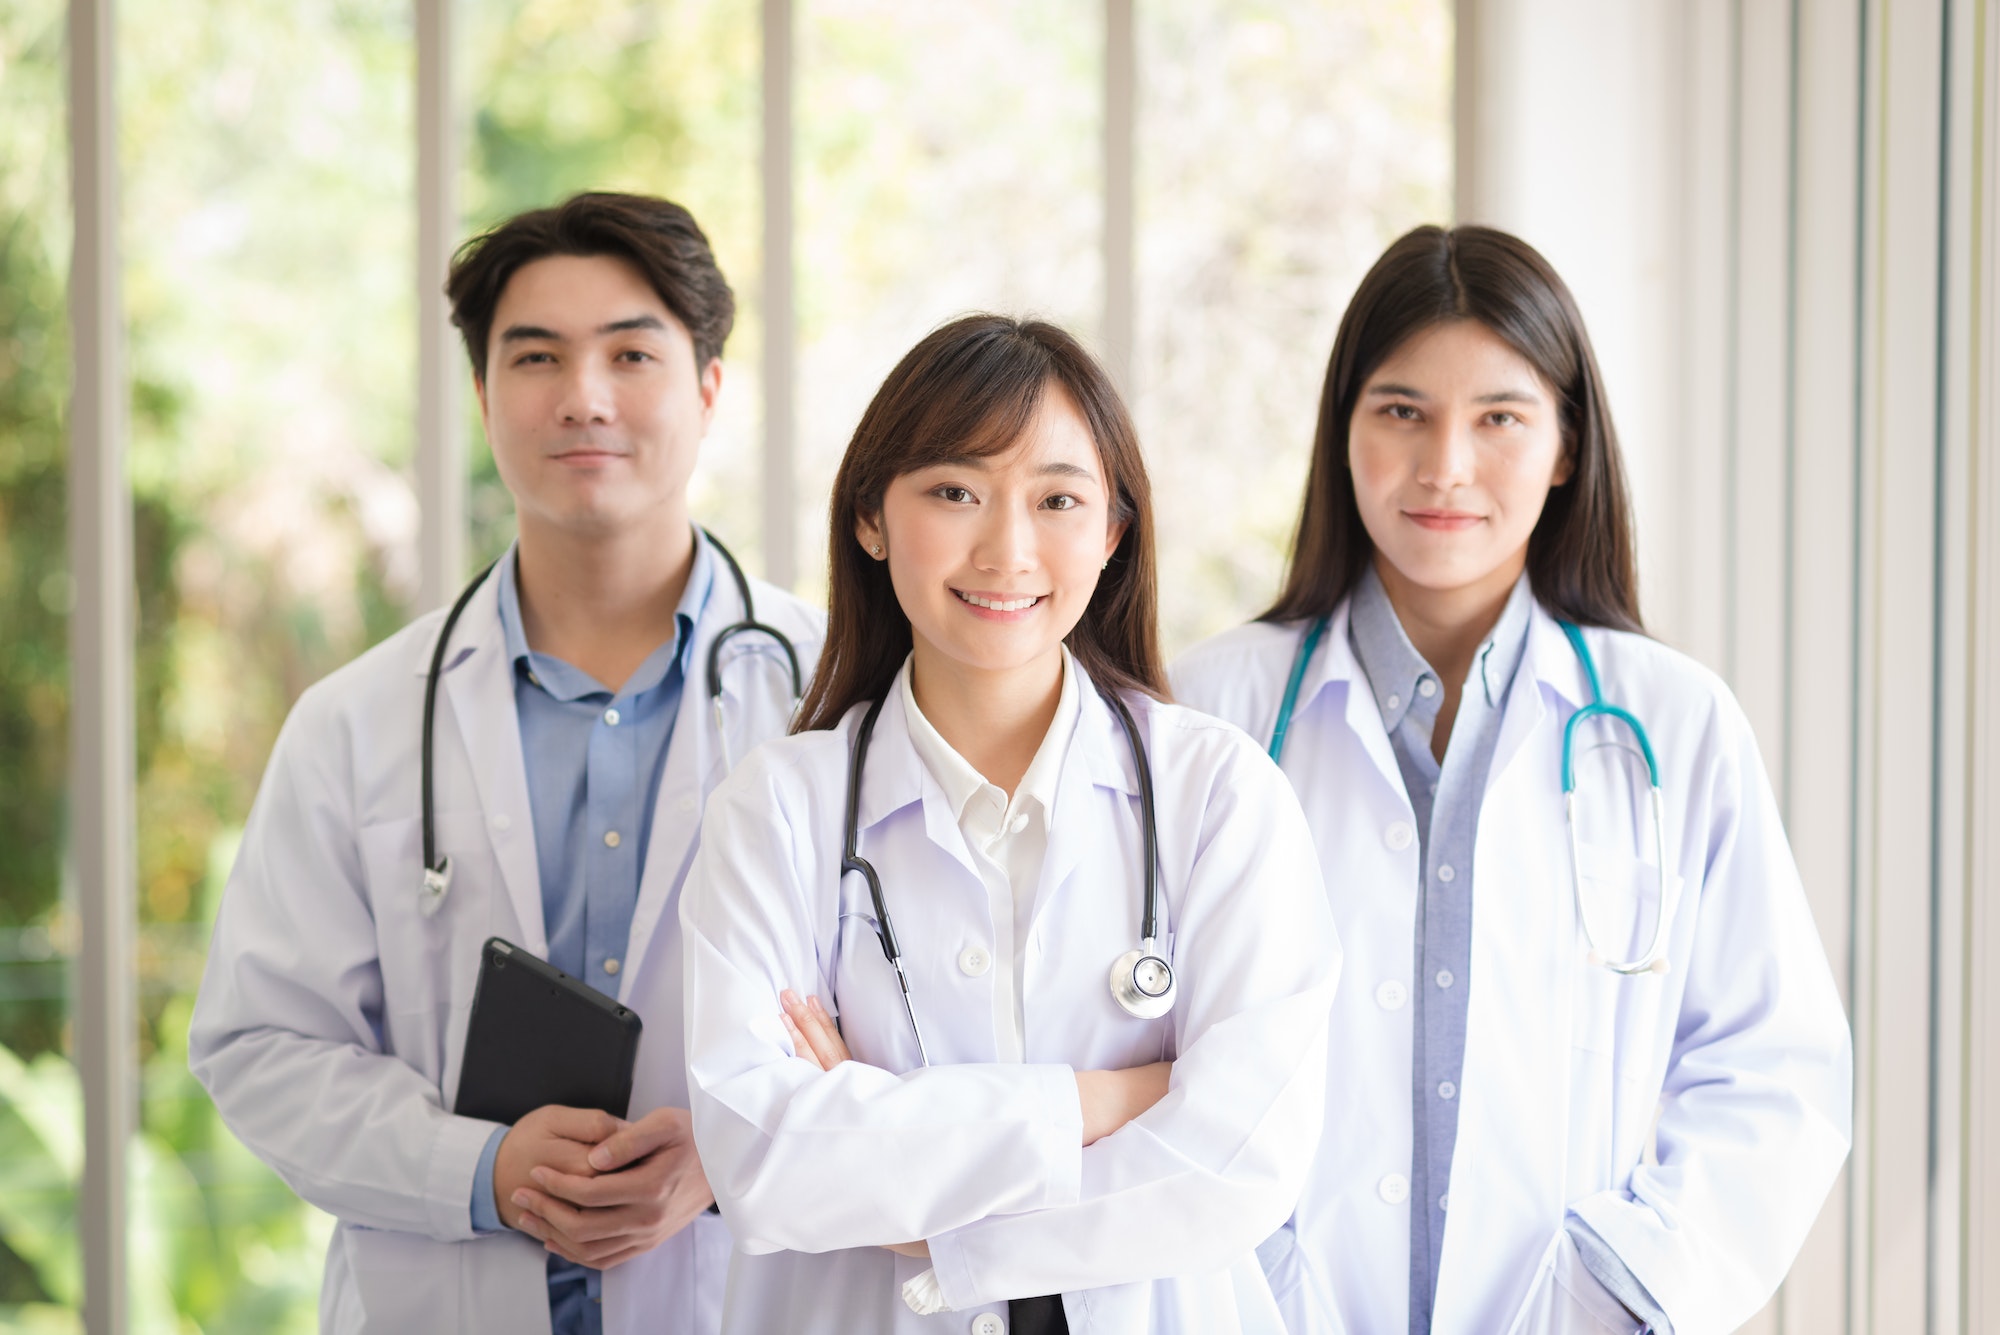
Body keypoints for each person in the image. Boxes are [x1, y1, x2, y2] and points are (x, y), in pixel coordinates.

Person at [1173, 224, 1851, 1335]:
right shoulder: (1210, 713)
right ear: (1342, 432)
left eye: (1498, 418)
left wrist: (1618, 1291)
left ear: (1566, 447)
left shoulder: (1672, 724)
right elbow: (1137, 1047)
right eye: (1401, 411)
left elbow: (1773, 1071)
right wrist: (1255, 1290)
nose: (1445, 465)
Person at [189, 192, 823, 1335]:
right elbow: (261, 1046)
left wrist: (736, 1154)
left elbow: (921, 1033)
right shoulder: (356, 723)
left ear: (707, 388)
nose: (583, 397)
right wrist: (481, 1171)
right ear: (483, 397)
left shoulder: (834, 696)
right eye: (536, 357)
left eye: (630, 353)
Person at [677, 314, 1340, 1334]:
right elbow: (762, 1158)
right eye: (954, 492)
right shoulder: (777, 811)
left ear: (1111, 533)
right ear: (870, 518)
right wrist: (1108, 1101)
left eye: (1057, 500)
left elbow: (1237, 1164)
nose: (1007, 550)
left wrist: (929, 1220)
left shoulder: (1217, 794)